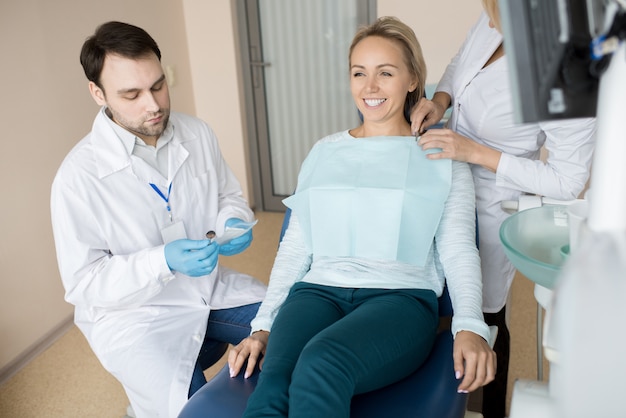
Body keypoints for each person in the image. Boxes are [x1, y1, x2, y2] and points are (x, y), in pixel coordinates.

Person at [227, 16, 496, 417]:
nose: (369, 87)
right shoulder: (324, 151)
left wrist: (470, 325)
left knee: (321, 362)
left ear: (411, 80)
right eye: (359, 73)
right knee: (274, 386)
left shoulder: (442, 156)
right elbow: (297, 245)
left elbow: (458, 248)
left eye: (385, 73)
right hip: (316, 292)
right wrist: (263, 324)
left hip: (400, 299)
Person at [50, 21, 266, 418]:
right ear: (97, 93)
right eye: (131, 94)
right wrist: (161, 261)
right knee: (198, 410)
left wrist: (232, 223)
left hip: (208, 290)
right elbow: (85, 283)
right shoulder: (76, 179)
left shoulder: (196, 133)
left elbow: (227, 197)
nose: (153, 105)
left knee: (297, 327)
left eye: (158, 85)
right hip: (138, 319)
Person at [410, 1, 596, 417]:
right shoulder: (499, 18)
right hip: (444, 175)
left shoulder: (571, 68)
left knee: (485, 310)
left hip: (493, 198)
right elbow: (462, 64)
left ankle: (492, 408)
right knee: (434, 291)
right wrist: (440, 101)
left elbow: (567, 181)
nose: (490, 15)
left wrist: (476, 152)